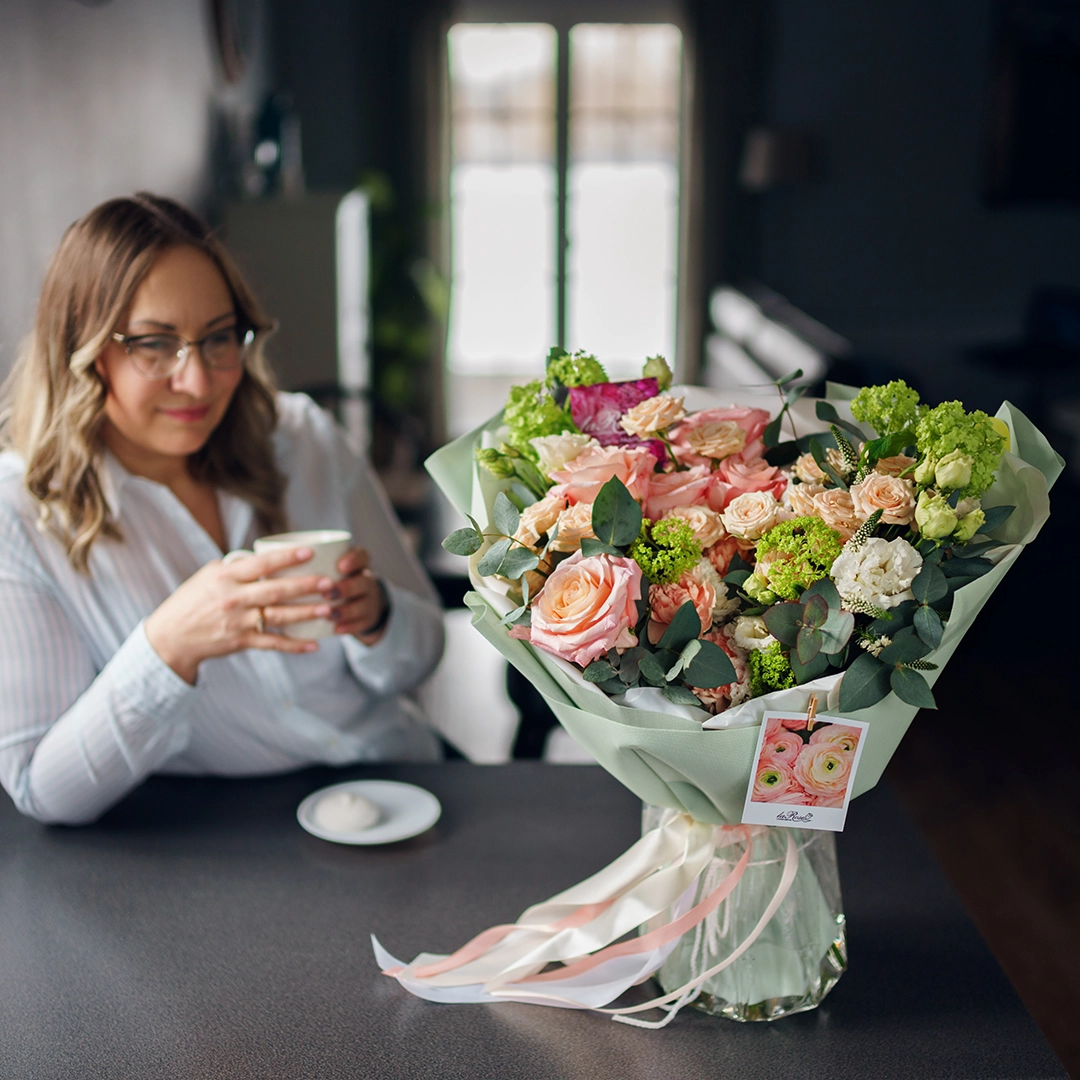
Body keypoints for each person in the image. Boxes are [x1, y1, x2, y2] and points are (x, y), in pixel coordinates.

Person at [0, 193, 445, 825]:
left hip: (402, 780)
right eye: (155, 344)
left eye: (217, 338)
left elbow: (424, 651)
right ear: (83, 349)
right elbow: (42, 790)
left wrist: (377, 618)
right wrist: (167, 648)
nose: (199, 382)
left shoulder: (303, 440)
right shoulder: (23, 515)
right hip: (230, 834)